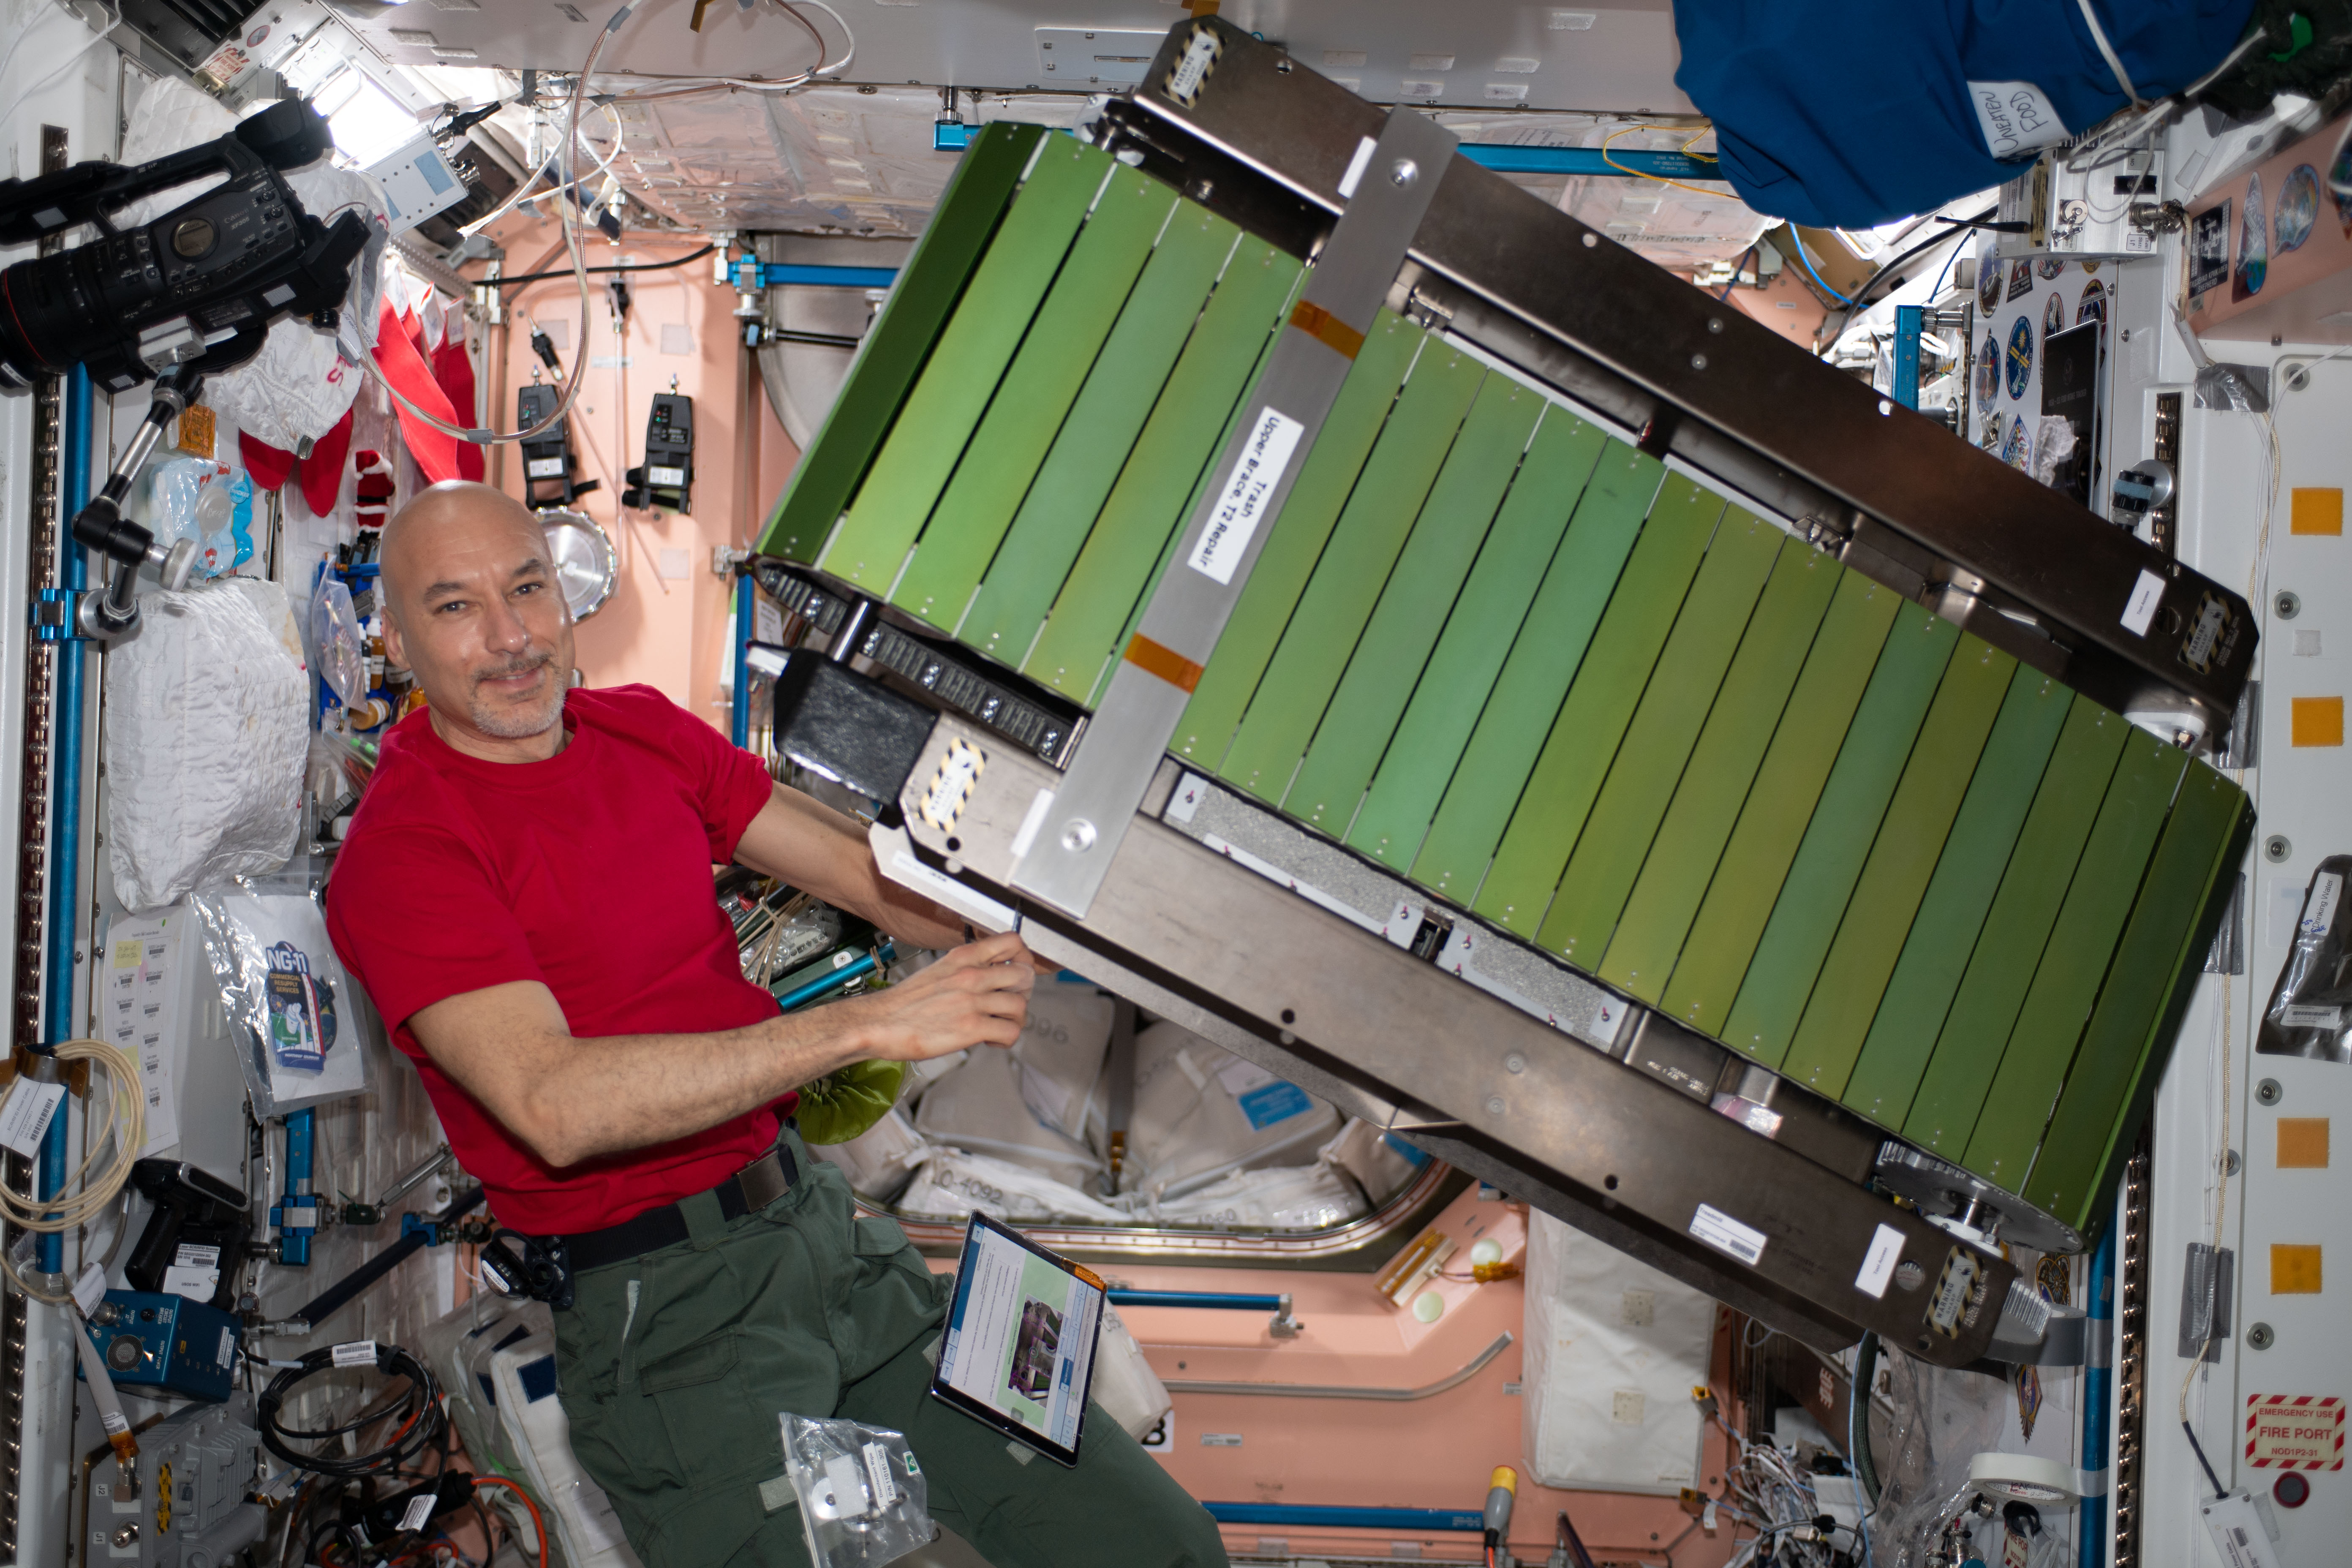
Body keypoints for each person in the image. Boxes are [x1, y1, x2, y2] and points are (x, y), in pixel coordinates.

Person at [326, 482, 1228, 1568]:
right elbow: (555, 1103)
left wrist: (1043, 902)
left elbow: (861, 869)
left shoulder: (640, 730)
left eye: (527, 588)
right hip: (671, 1328)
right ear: (396, 639)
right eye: (456, 606)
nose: (512, 636)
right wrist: (867, 1026)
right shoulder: (406, 850)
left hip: (825, 1244)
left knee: (1164, 1547)